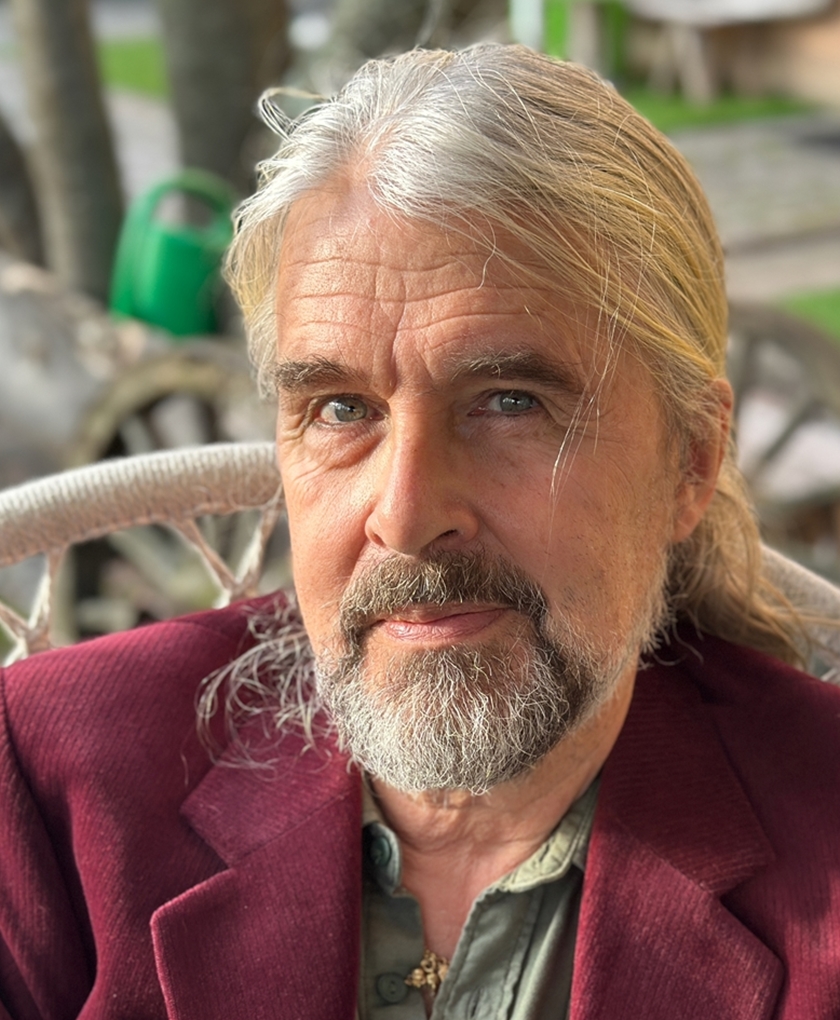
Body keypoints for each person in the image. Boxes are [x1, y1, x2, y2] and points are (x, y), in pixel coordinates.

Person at [1, 44, 839, 1020]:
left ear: (689, 460)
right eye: (341, 409)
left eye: (509, 401)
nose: (404, 515)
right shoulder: (51, 789)